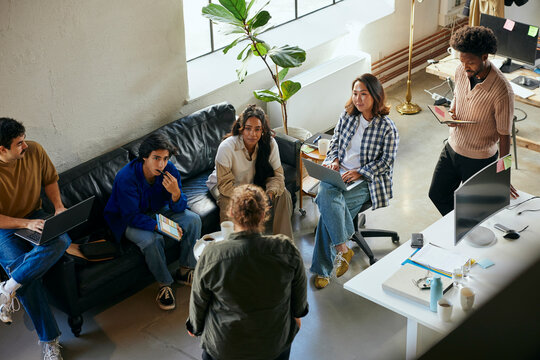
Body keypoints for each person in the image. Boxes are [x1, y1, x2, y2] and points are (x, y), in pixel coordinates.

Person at [187, 184, 308, 360]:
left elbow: (199, 300)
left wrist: (195, 327)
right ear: (264, 214)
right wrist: (297, 315)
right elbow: (299, 301)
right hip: (274, 346)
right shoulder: (286, 249)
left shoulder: (212, 254)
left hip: (224, 347)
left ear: (231, 214)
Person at [311, 74, 399, 289]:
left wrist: (360, 172)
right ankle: (343, 249)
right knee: (327, 195)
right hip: (339, 173)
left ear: (375, 96)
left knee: (328, 213)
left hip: (367, 181)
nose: (358, 99)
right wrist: (333, 160)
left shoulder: (387, 127)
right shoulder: (347, 116)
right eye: (355, 94)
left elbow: (386, 162)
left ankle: (323, 269)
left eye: (364, 94)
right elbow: (334, 143)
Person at [428, 25, 519, 216]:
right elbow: (457, 97)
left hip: (479, 160)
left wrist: (503, 173)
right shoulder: (461, 71)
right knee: (437, 194)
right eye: (461, 61)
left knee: (474, 211)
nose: (464, 66)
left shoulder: (502, 91)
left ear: (484, 57)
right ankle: (459, 226)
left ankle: (466, 230)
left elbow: (505, 136)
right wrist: (451, 113)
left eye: (469, 62)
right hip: (452, 148)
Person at [104, 133, 201, 310]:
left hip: (156, 210)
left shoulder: (169, 170)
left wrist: (175, 193)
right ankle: (165, 284)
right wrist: (162, 227)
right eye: (156, 158)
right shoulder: (126, 178)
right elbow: (131, 215)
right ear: (144, 157)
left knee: (193, 220)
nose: (161, 164)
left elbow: (179, 208)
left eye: (165, 158)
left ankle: (186, 270)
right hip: (127, 219)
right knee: (152, 240)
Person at [0, 117, 69, 360]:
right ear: (2, 149)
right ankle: (50, 341)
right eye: (19, 143)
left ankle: (7, 288)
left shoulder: (35, 150)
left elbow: (49, 179)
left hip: (36, 214)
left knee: (61, 241)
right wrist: (24, 223)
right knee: (27, 278)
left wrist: (59, 207)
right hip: (4, 226)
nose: (25, 145)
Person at [206, 105, 293, 239]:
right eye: (248, 128)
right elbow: (224, 186)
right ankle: (233, 247)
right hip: (225, 187)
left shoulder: (270, 143)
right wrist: (250, 199)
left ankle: (283, 243)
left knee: (283, 194)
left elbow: (278, 176)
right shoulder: (227, 147)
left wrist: (270, 193)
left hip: (252, 185)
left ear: (263, 130)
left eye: (257, 129)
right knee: (229, 203)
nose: (253, 134)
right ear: (241, 128)